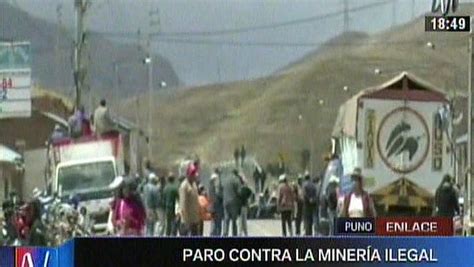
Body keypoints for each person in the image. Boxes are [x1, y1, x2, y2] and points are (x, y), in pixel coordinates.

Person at [178, 171, 200, 236]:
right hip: (186, 219)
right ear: (189, 175)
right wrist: (186, 219)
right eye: (194, 175)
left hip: (194, 217)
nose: (195, 177)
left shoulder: (194, 184)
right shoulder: (184, 186)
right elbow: (183, 204)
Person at [222, 169, 242, 236]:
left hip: (225, 201)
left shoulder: (225, 179)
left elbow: (221, 189)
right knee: (234, 220)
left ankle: (225, 234)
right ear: (236, 173)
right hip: (233, 202)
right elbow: (239, 192)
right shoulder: (236, 180)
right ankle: (234, 235)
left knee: (226, 219)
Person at [208, 169, 224, 236]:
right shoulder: (216, 179)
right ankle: (217, 235)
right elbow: (218, 193)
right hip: (217, 203)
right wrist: (223, 196)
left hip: (212, 202)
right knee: (218, 222)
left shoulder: (210, 181)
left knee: (213, 221)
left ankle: (212, 234)